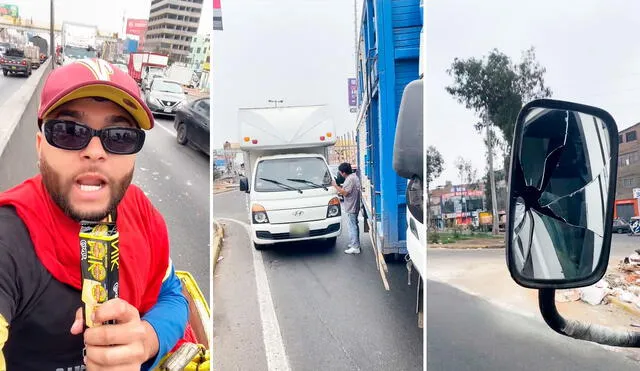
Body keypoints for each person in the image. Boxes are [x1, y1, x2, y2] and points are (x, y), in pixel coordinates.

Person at [0, 58, 189, 370]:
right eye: (69, 131)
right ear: (39, 147)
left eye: (119, 137)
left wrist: (146, 339)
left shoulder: (140, 211)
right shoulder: (12, 233)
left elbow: (171, 295)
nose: (95, 151)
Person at [332, 162, 362, 254]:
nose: (340, 174)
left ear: (343, 172)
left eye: (340, 172)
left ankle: (355, 247)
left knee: (352, 226)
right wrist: (339, 186)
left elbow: (345, 193)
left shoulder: (350, 179)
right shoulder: (353, 177)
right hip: (353, 205)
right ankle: (355, 243)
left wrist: (335, 186)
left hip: (351, 206)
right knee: (354, 225)